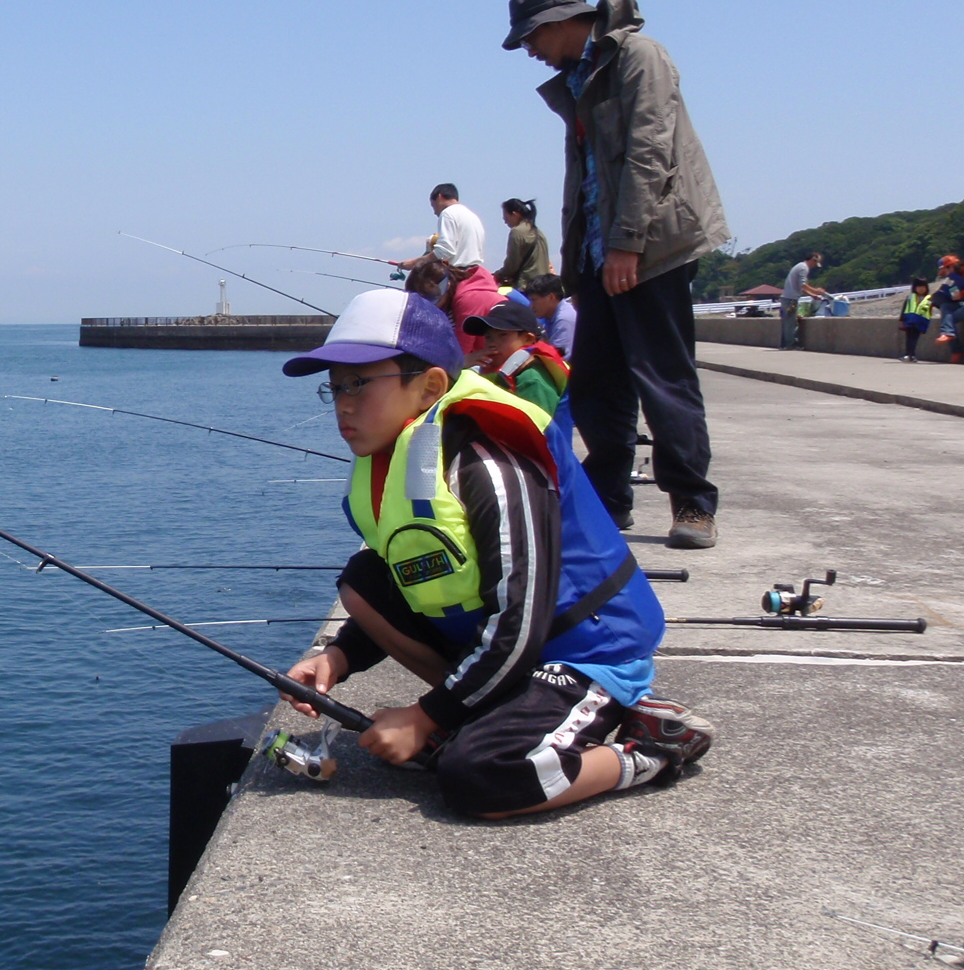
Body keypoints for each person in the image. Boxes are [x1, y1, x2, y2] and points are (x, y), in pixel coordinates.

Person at [278, 287, 713, 818]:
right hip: (514, 648)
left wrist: (425, 715)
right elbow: (410, 577)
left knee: (479, 776)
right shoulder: (399, 456)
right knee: (364, 579)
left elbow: (523, 616)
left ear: (429, 387)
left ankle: (653, 749)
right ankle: (484, 715)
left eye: (361, 383)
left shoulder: (487, 465)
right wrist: (338, 656)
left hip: (581, 650)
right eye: (336, 387)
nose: (344, 403)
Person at [505, 0, 730, 549]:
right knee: (599, 383)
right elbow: (584, 178)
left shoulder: (639, 57)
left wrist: (628, 242)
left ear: (558, 23)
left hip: (650, 248)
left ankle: (693, 505)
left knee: (662, 376)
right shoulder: (578, 79)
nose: (529, 50)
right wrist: (581, 260)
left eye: (530, 37)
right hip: (599, 254)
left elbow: (651, 149)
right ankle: (608, 504)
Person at [463, 300, 570, 416]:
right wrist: (462, 364)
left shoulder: (532, 379)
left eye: (502, 335)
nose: (492, 343)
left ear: (528, 339)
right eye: (488, 337)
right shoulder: (483, 368)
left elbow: (537, 429)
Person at [404, 257, 500, 364]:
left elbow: (458, 356)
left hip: (499, 361)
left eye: (431, 297)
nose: (428, 305)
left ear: (447, 285)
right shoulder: (449, 299)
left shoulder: (469, 299)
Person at [403, 184, 487, 270]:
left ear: (439, 197)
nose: (434, 212)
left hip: (459, 275)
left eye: (433, 206)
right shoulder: (473, 216)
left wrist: (414, 263)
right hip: (475, 273)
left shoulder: (448, 213)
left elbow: (444, 251)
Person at [495, 199, 551, 292]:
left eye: (506, 218)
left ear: (515, 214)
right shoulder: (539, 233)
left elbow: (512, 264)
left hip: (527, 286)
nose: (505, 222)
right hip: (544, 286)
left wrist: (498, 275)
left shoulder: (517, 232)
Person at [779, 252, 829, 351]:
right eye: (815, 263)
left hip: (787, 298)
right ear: (813, 260)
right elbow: (803, 285)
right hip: (791, 299)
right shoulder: (804, 268)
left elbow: (800, 287)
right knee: (791, 323)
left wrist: (812, 295)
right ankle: (790, 345)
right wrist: (817, 291)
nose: (814, 266)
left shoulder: (799, 266)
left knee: (787, 323)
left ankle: (784, 345)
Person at [524, 273, 577, 359]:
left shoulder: (564, 319)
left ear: (551, 297)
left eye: (534, 300)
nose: (531, 306)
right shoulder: (551, 316)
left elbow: (558, 359)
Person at [898, 279, 933, 363]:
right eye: (919, 287)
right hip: (910, 320)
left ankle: (910, 355)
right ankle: (909, 355)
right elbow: (904, 308)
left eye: (923, 287)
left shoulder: (929, 298)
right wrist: (901, 320)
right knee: (909, 338)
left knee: (914, 339)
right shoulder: (910, 297)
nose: (921, 289)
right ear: (915, 288)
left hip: (920, 321)